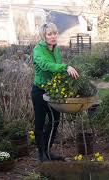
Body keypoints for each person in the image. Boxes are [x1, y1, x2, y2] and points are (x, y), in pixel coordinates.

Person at [31, 23, 79, 162]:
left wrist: (69, 80)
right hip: (39, 91)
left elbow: (58, 71)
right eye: (49, 34)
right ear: (44, 36)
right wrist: (66, 67)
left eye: (55, 33)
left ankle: (47, 151)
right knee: (40, 123)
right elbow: (46, 65)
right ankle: (41, 155)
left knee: (54, 121)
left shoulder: (56, 50)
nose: (53, 37)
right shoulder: (38, 50)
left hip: (53, 91)